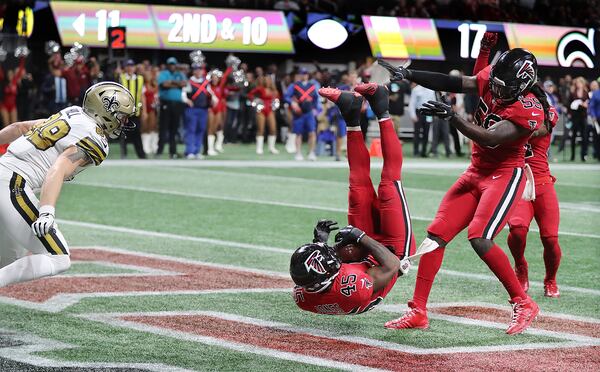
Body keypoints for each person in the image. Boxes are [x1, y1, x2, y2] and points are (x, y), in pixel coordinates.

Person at [379, 46, 546, 335]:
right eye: (493, 82)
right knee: (435, 236)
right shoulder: (494, 81)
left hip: (505, 174)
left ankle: (523, 302)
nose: (493, 89)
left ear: (523, 83)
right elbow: (453, 82)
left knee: (480, 237)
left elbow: (491, 138)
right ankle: (418, 310)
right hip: (476, 172)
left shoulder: (530, 109)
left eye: (501, 86)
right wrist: (409, 74)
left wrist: (453, 117)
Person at [290, 84, 415, 315]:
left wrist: (320, 243)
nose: (333, 252)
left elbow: (326, 266)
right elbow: (393, 265)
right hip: (391, 254)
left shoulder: (303, 293)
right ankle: (382, 108)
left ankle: (351, 114)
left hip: (363, 255)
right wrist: (359, 236)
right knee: (389, 183)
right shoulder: (352, 288)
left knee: (357, 188)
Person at [0, 82, 136, 287]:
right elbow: (60, 166)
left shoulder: (72, 113)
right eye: (122, 116)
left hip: (5, 171)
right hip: (12, 183)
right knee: (58, 257)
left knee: (8, 259)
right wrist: (46, 211)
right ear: (108, 112)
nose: (123, 122)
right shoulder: (96, 138)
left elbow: (19, 127)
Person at [284, 68, 320, 161]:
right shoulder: (294, 85)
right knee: (298, 133)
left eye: (306, 74)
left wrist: (315, 109)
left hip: (309, 112)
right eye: (302, 74)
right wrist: (292, 103)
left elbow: (316, 98)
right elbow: (286, 96)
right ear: (299, 75)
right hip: (299, 113)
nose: (304, 75)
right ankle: (298, 153)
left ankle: (311, 152)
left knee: (312, 132)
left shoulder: (312, 86)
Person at [157, 57, 187, 159]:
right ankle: (159, 151)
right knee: (163, 128)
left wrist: (171, 83)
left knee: (174, 129)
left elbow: (184, 84)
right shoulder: (164, 73)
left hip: (177, 104)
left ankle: (172, 151)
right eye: (170, 64)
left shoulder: (180, 74)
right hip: (166, 103)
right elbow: (164, 84)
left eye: (173, 64)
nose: (172, 66)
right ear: (168, 65)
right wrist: (177, 84)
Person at [182, 64, 212, 159]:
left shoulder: (206, 82)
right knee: (191, 129)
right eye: (196, 70)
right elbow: (183, 94)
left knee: (201, 129)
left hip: (203, 109)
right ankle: (189, 151)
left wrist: (214, 100)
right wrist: (187, 100)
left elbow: (210, 93)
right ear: (193, 71)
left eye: (200, 70)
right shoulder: (189, 82)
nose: (198, 72)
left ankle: (197, 151)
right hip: (192, 109)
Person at [119, 59, 146, 159]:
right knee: (123, 134)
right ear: (125, 67)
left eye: (131, 66)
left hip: (135, 111)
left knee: (137, 133)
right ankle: (123, 154)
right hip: (123, 111)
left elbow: (142, 95)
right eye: (128, 66)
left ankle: (141, 155)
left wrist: (145, 110)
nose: (130, 68)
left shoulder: (139, 79)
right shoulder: (121, 78)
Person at [248, 75, 279, 154]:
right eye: (266, 80)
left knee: (273, 129)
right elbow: (250, 95)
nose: (267, 82)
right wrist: (256, 101)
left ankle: (271, 148)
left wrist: (275, 105)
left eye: (268, 80)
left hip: (270, 110)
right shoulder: (260, 88)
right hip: (261, 110)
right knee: (260, 129)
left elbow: (277, 99)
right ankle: (259, 148)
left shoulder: (274, 91)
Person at [408, 83, 435, 157]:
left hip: (428, 113)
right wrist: (413, 115)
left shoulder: (431, 90)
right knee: (417, 133)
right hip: (418, 112)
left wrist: (433, 114)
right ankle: (416, 152)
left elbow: (434, 103)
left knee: (426, 133)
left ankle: (424, 152)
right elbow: (412, 103)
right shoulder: (416, 90)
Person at [569, 77, 589, 161]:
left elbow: (588, 103)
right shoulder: (573, 92)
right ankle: (572, 155)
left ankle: (583, 155)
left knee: (584, 136)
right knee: (573, 136)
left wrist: (585, 104)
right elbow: (569, 103)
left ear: (583, 83)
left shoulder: (586, 92)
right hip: (575, 116)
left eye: (580, 83)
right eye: (577, 83)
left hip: (583, 116)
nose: (578, 84)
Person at [141, 70, 159, 155]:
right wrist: (144, 111)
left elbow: (156, 96)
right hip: (145, 109)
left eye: (149, 75)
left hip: (153, 109)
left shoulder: (154, 86)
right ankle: (145, 146)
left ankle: (154, 146)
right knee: (145, 127)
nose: (148, 77)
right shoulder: (142, 86)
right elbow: (143, 98)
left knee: (154, 127)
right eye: (146, 75)